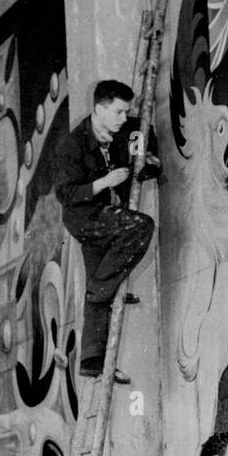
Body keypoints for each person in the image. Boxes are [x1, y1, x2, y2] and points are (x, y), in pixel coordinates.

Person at [54, 79, 161, 381]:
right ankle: (102, 291)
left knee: (100, 278)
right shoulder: (72, 146)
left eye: (125, 112)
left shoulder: (128, 129)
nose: (123, 118)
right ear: (99, 109)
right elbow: (66, 194)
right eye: (117, 112)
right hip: (86, 218)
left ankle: (91, 359)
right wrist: (106, 182)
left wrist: (150, 159)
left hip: (112, 215)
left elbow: (145, 138)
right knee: (141, 226)